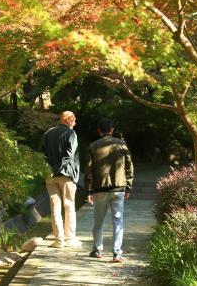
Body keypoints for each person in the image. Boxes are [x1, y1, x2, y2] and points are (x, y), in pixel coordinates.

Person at [86, 118, 134, 263]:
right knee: (118, 222)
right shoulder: (122, 145)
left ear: (99, 130)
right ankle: (117, 253)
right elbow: (129, 166)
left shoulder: (93, 146)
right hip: (119, 188)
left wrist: (88, 191)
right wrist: (128, 187)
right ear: (112, 130)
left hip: (100, 189)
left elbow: (89, 170)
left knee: (98, 221)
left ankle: (97, 250)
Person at [41, 111, 82, 248]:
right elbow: (69, 155)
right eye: (74, 120)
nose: (75, 123)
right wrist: (58, 168)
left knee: (55, 208)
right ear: (69, 120)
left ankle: (59, 240)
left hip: (50, 176)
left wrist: (49, 170)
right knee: (69, 206)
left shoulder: (48, 133)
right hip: (66, 175)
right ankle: (70, 239)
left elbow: (40, 155)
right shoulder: (71, 134)